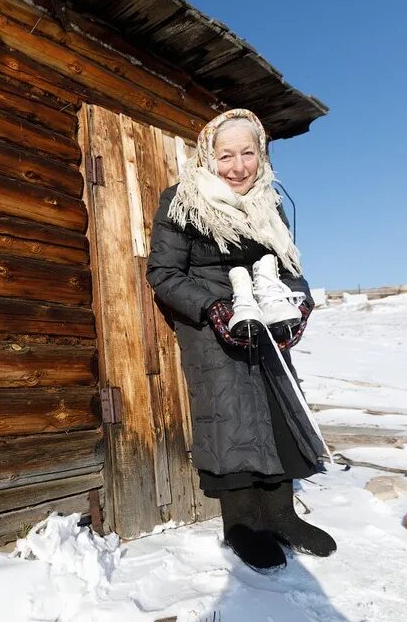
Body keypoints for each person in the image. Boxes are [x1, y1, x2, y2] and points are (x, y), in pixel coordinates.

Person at [146, 108, 336, 573]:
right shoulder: (182, 202)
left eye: (247, 153)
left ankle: (282, 516)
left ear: (261, 154)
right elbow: (163, 273)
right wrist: (212, 308)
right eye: (226, 155)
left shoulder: (268, 205)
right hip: (215, 322)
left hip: (268, 325)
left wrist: (299, 307)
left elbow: (292, 271)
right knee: (230, 415)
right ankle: (243, 526)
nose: (238, 166)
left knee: (277, 413)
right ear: (209, 157)